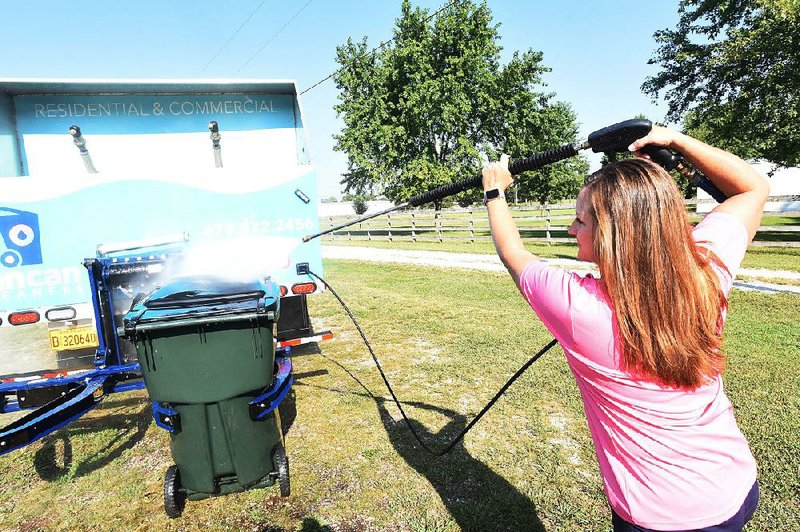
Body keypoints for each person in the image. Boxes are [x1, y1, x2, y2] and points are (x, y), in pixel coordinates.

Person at [481, 125, 769, 531]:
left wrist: (494, 190)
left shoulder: (578, 308)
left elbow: (513, 254)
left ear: (612, 236)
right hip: (735, 488)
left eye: (580, 221)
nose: (570, 229)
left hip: (660, 516)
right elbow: (752, 189)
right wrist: (677, 141)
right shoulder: (709, 266)